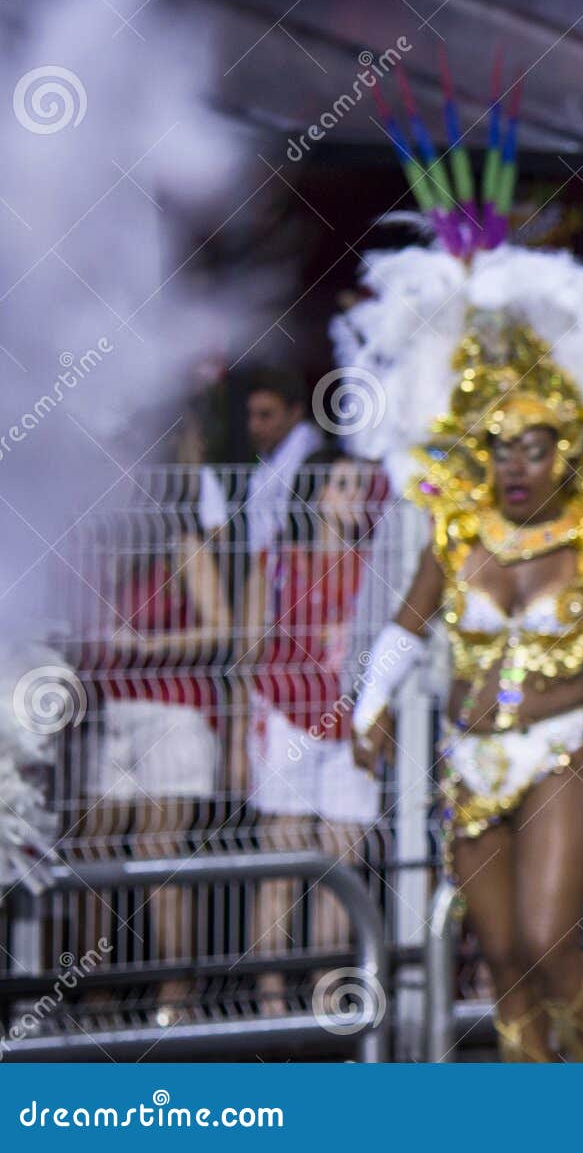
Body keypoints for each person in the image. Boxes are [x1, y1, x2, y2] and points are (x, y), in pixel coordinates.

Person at [332, 66, 583, 1061]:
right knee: (502, 951)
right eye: (501, 446)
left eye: (537, 444)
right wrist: (370, 707)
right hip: (469, 757)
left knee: (553, 941)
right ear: (482, 451)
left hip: (562, 748)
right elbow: (403, 628)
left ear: (566, 447)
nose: (518, 464)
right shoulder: (455, 535)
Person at [80, 409, 229, 1026]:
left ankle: (176, 999)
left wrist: (150, 647)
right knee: (92, 852)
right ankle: (94, 995)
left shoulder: (181, 543)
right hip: (110, 711)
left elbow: (221, 630)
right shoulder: (97, 546)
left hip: (174, 710)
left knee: (160, 849)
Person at [243, 447, 385, 1013]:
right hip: (285, 716)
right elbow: (248, 649)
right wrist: (241, 733)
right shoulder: (280, 560)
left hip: (354, 727)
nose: (357, 497)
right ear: (317, 494)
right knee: (281, 856)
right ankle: (270, 997)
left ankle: (329, 993)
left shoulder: (379, 565)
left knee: (341, 862)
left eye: (361, 486)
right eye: (344, 485)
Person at [240, 365, 324, 557]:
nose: (254, 426)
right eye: (250, 415)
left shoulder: (309, 456)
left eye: (265, 415)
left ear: (295, 412)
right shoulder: (272, 454)